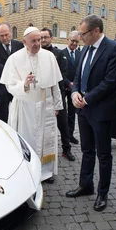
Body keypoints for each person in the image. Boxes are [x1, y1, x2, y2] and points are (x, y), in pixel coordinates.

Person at [65, 15, 116, 212]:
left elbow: (110, 82)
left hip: (101, 111)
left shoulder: (113, 49)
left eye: (83, 34)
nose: (80, 38)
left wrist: (87, 98)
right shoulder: (85, 49)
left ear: (96, 30)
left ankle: (102, 193)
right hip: (83, 110)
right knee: (87, 150)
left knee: (104, 154)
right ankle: (86, 185)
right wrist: (74, 93)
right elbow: (77, 76)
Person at [0, 26, 63, 182]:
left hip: (45, 105)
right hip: (24, 107)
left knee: (46, 139)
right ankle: (28, 171)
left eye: (39, 40)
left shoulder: (49, 56)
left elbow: (55, 84)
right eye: (33, 41)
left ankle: (46, 172)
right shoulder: (14, 58)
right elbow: (9, 86)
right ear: (24, 42)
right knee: (27, 140)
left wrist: (57, 105)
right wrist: (24, 84)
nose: (37, 43)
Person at [40, 27, 75, 164]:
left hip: (57, 94)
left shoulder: (59, 54)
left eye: (45, 37)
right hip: (42, 96)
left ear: (51, 38)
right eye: (41, 37)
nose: (43, 40)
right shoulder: (37, 53)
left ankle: (66, 149)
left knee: (63, 124)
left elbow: (62, 74)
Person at [60, 31, 81, 145]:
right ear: (67, 40)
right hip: (64, 87)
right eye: (72, 40)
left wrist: (75, 85)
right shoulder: (61, 53)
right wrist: (68, 83)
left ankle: (70, 134)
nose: (74, 43)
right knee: (63, 113)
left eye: (76, 41)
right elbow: (60, 72)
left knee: (72, 114)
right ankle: (65, 136)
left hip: (74, 89)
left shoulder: (79, 54)